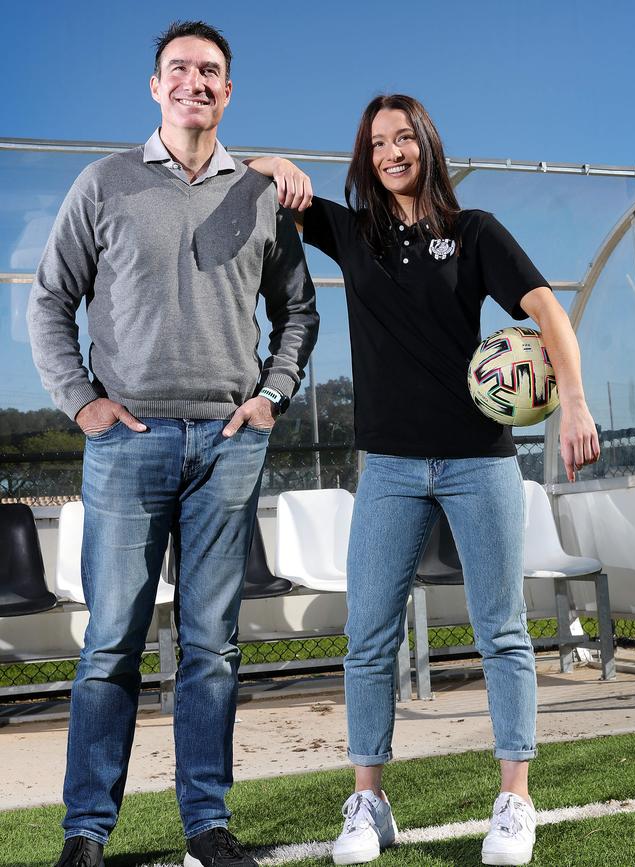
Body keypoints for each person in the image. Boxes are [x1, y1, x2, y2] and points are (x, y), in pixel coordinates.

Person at [246, 94, 599, 866]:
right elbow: (244, 175)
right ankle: (369, 800)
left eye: (405, 138)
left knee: (501, 630)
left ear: (428, 147)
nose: (393, 151)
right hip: (391, 469)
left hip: (481, 461)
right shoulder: (352, 232)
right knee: (368, 636)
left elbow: (545, 307)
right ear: (366, 157)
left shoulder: (473, 233)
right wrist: (276, 164)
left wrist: (572, 400)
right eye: (379, 142)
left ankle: (515, 801)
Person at [28, 20, 318, 867]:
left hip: (230, 444)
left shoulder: (261, 193)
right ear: (155, 87)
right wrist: (81, 402)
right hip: (128, 444)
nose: (196, 80)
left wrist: (271, 396)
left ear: (229, 93)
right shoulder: (104, 184)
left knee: (214, 647)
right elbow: (51, 302)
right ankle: (86, 833)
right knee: (110, 642)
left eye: (212, 72)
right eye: (180, 69)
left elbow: (297, 313)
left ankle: (207, 825)